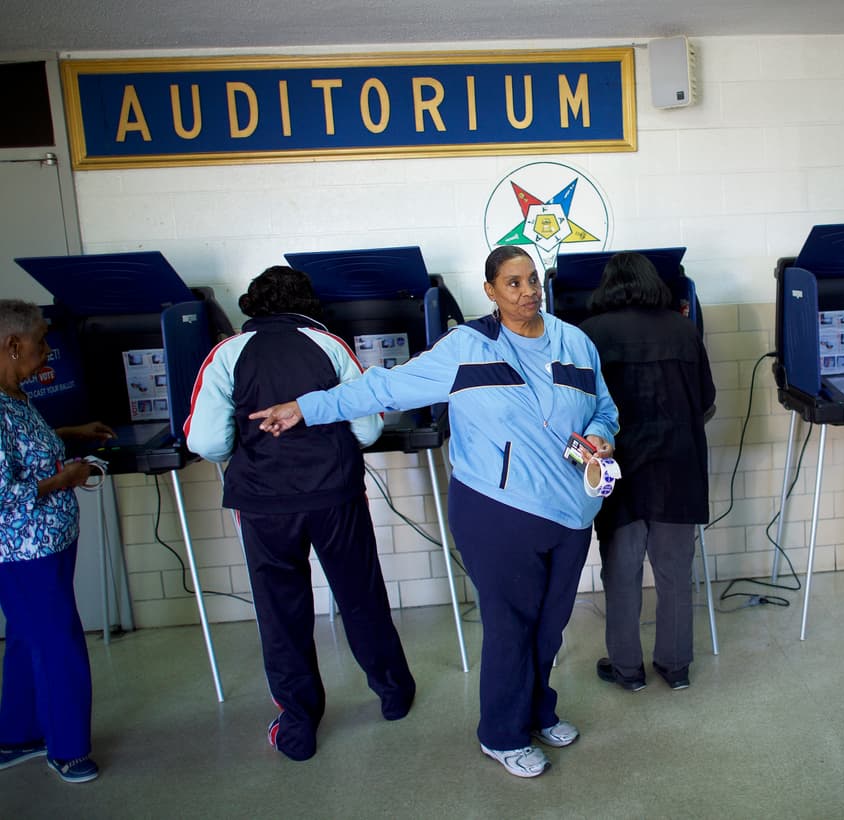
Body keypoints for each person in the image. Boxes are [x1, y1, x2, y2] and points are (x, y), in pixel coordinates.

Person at [249, 246, 619, 779]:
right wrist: (304, 408)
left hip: (571, 510)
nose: (527, 291)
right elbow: (385, 387)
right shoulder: (467, 347)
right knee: (511, 626)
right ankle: (502, 734)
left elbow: (604, 407)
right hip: (497, 508)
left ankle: (538, 711)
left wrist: (602, 435)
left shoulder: (574, 342)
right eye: (513, 283)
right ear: (491, 291)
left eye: (532, 280)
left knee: (549, 626)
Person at [184, 267, 416, 762]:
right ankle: (394, 695)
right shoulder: (329, 345)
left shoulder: (226, 354)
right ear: (308, 303)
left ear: (253, 305)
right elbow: (368, 430)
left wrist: (248, 442)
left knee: (281, 613)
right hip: (335, 496)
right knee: (361, 597)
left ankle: (298, 727)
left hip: (264, 505)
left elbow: (206, 442)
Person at [578, 253, 716, 692]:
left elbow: (578, 409)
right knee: (675, 572)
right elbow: (706, 400)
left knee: (621, 573)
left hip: (621, 472)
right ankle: (675, 667)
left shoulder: (589, 334)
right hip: (678, 468)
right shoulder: (682, 328)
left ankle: (627, 670)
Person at [0, 299, 115, 784]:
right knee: (58, 642)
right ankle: (68, 750)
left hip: (47, 545)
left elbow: (24, 449)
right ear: (12, 344)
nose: (48, 351)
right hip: (23, 553)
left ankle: (18, 735)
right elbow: (4, 492)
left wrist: (69, 434)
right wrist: (65, 479)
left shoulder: (14, 394)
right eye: (41, 341)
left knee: (28, 636)